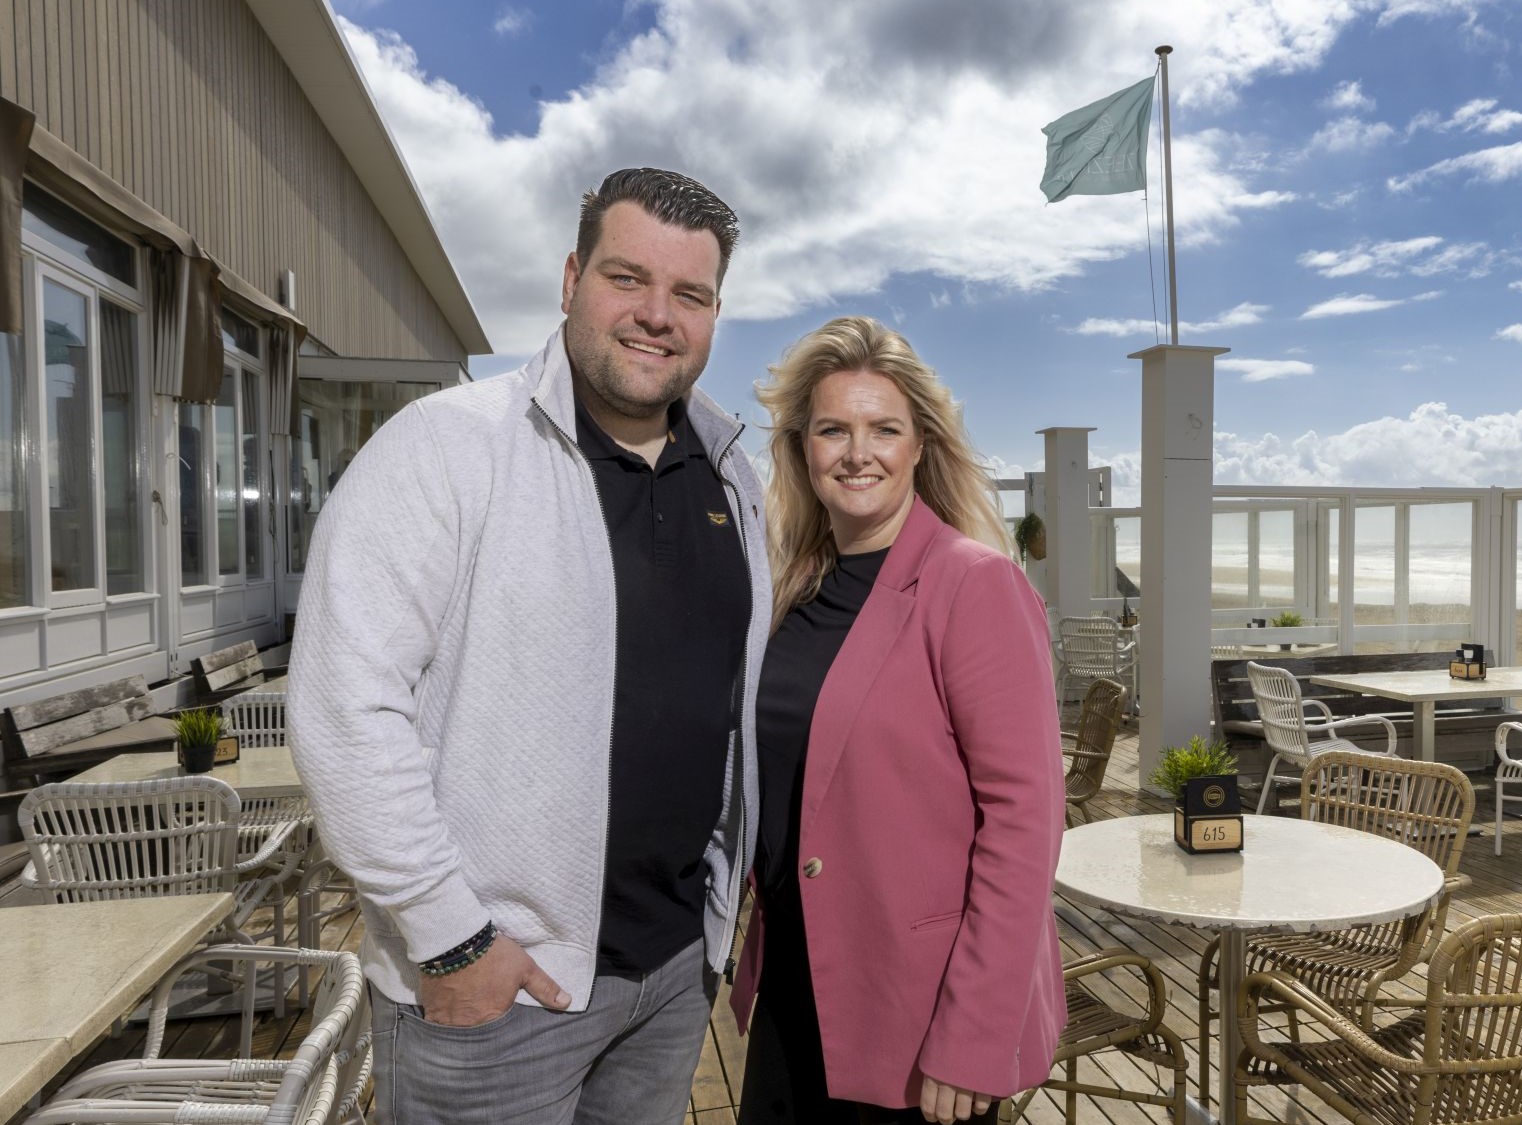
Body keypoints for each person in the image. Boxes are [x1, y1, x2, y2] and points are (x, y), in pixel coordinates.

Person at [289, 168, 770, 1125]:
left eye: (692, 294)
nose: (657, 315)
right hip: (495, 992)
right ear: (569, 279)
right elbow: (345, 711)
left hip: (673, 976)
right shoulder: (444, 449)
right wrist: (451, 938)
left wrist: (712, 932)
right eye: (627, 277)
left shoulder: (734, 475)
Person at [730, 316, 1066, 1124]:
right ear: (801, 448)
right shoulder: (791, 591)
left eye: (884, 429)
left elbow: (1026, 823)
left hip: (917, 1017)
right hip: (793, 988)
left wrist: (974, 1032)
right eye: (833, 429)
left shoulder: (972, 585)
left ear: (920, 445)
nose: (858, 452)